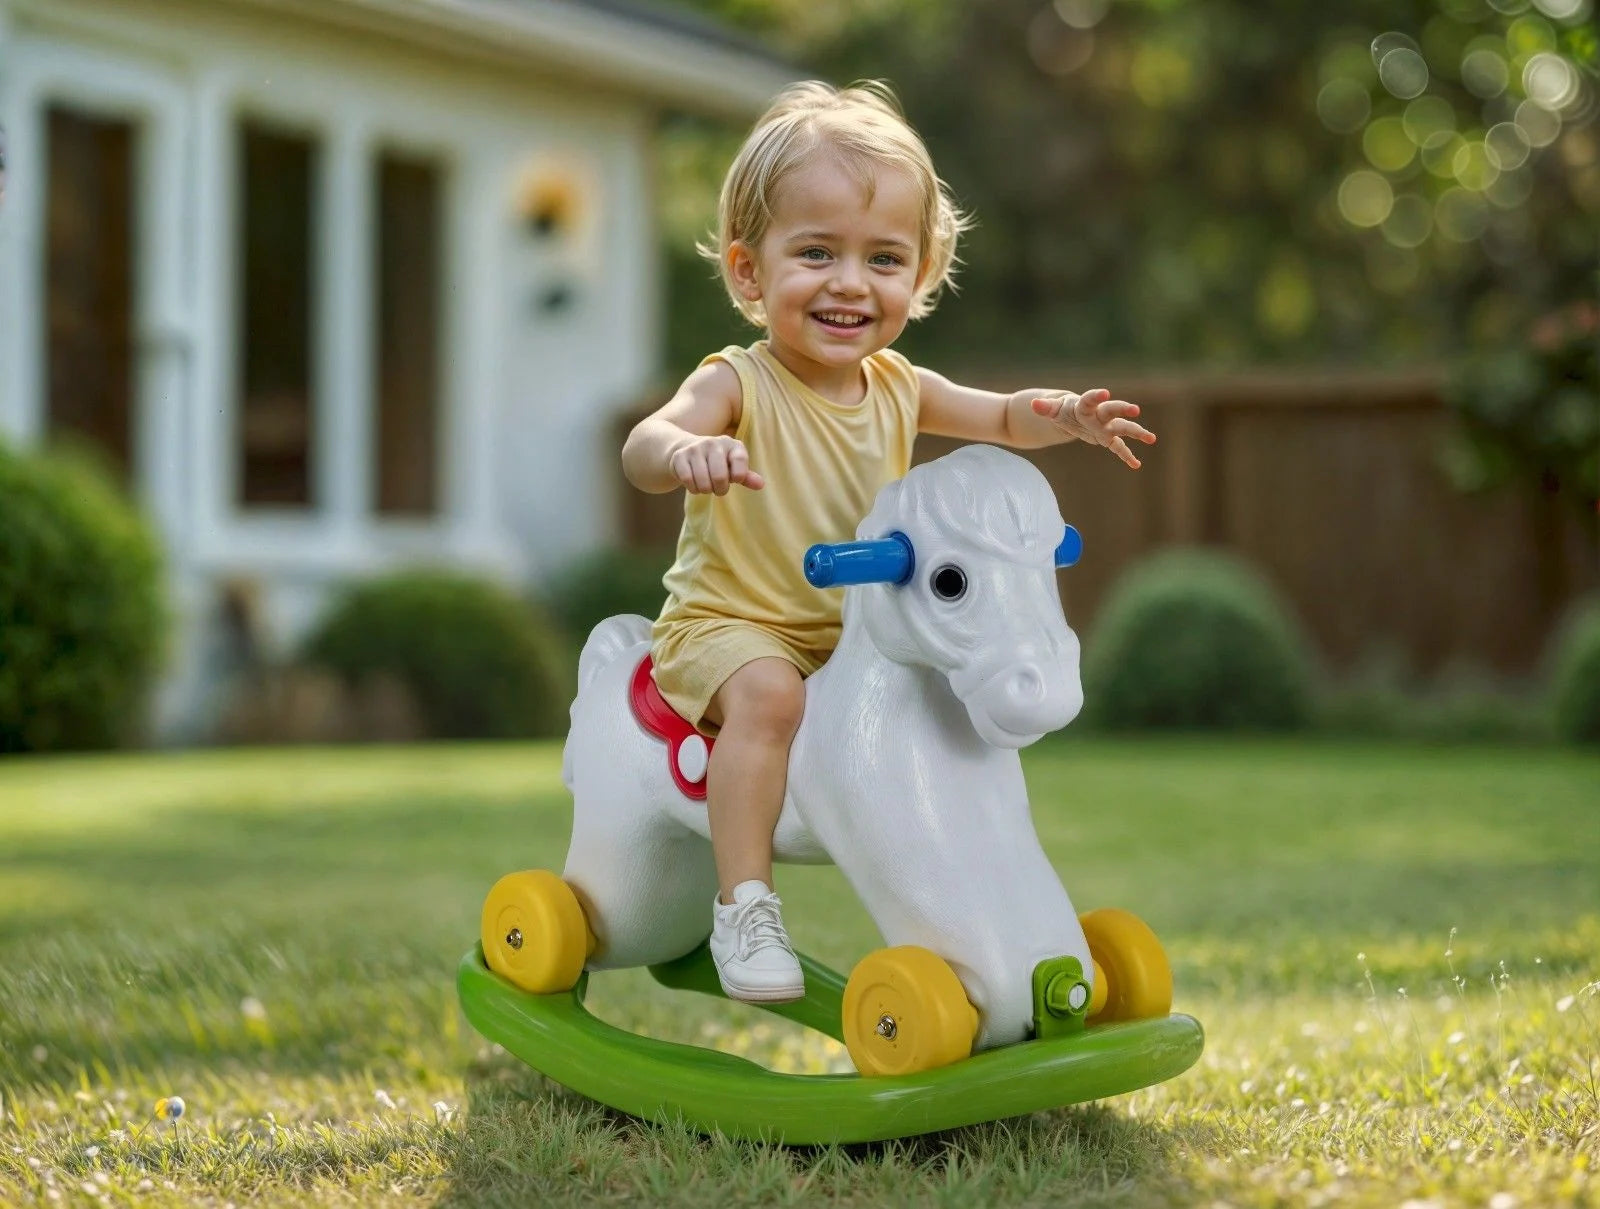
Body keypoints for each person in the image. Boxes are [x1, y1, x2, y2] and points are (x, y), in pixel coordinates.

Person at [621, 80, 1156, 1003]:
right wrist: (689, 449)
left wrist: (1063, 412)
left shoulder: (900, 385)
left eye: (883, 258)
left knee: (954, 721)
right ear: (750, 273)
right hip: (731, 631)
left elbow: (998, 418)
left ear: (918, 275)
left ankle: (1017, 924)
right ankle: (744, 903)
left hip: (853, 633)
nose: (849, 282)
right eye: (816, 251)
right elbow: (642, 446)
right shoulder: (738, 383)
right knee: (772, 697)